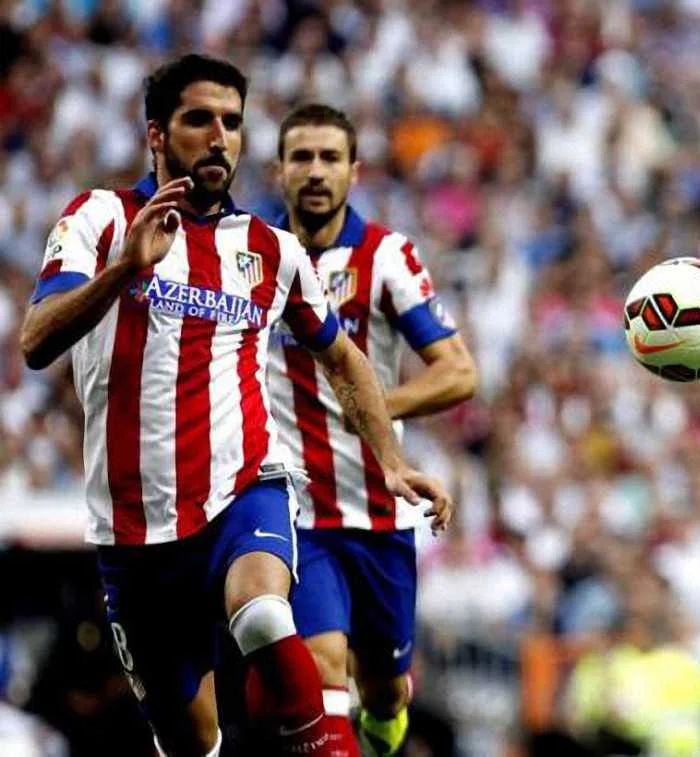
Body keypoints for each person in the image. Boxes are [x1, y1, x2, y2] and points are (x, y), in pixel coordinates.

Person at [19, 55, 451, 757]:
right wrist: (125, 269)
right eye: (199, 119)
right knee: (191, 740)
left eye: (232, 121)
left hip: (242, 489)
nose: (218, 135)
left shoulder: (270, 249)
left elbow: (344, 357)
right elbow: (37, 339)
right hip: (133, 527)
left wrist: (392, 461)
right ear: (156, 135)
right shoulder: (98, 217)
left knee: (264, 615)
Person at [267, 103, 477, 757]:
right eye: (302, 157)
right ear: (278, 171)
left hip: (379, 510)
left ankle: (382, 729)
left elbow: (458, 372)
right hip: (295, 509)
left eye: (330, 158)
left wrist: (372, 404)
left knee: (384, 690)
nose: (315, 171)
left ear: (354, 171)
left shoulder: (385, 256)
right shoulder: (255, 257)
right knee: (323, 661)